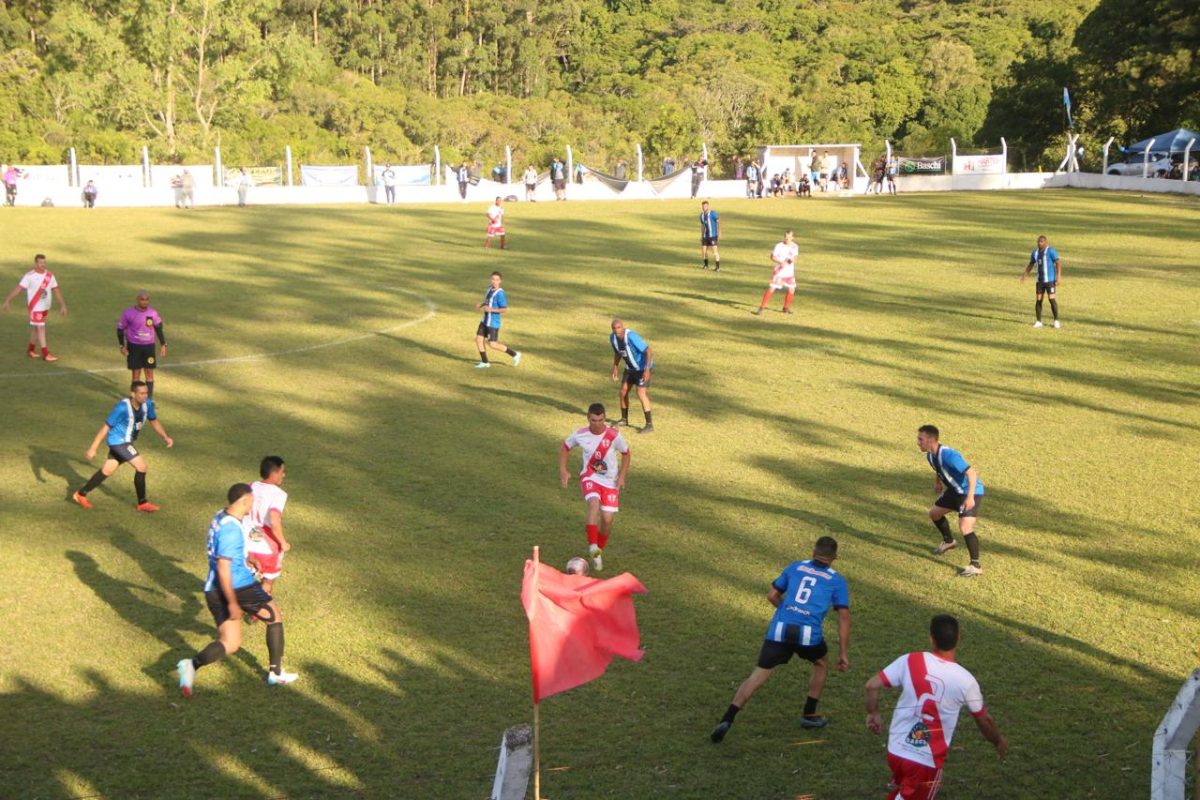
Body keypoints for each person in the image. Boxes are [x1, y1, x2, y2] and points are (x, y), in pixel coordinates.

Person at [710, 536, 851, 743]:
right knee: (820, 662)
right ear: (835, 558)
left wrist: (787, 610)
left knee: (757, 676)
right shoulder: (837, 580)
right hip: (808, 635)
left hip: (780, 630)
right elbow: (844, 618)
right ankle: (809, 715)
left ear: (813, 552)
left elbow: (772, 595)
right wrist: (843, 654)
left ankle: (728, 719)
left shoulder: (795, 567)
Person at [864, 615, 1006, 800]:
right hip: (924, 761)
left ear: (931, 638)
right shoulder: (965, 680)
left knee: (906, 788)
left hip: (896, 752)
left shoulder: (910, 660)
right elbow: (984, 720)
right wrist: (998, 740)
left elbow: (871, 685)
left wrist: (873, 713)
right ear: (958, 639)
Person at [176, 483, 298, 697]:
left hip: (212, 589)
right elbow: (224, 566)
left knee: (230, 643)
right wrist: (233, 603)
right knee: (274, 616)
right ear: (243, 501)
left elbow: (224, 552)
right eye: (252, 500)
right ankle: (276, 673)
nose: (254, 503)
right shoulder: (232, 529)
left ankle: (191, 665)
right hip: (237, 586)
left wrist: (247, 558)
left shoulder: (221, 517)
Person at [73, 380, 173, 512]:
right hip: (119, 442)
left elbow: (154, 421)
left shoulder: (147, 404)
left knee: (107, 470)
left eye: (146, 393)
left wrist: (165, 437)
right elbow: (105, 428)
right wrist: (93, 448)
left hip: (126, 441)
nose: (145, 396)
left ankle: (80, 494)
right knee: (141, 467)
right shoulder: (121, 408)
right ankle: (142, 503)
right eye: (141, 393)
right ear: (133, 394)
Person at [559, 402, 631, 572]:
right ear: (588, 419)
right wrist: (563, 470)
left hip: (610, 482)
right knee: (593, 504)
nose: (597, 424)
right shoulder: (580, 434)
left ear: (604, 418)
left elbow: (626, 454)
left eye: (600, 420)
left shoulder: (614, 436)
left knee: (607, 520)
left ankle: (598, 552)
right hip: (590, 476)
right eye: (593, 420)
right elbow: (565, 447)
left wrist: (621, 477)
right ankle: (592, 546)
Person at [917, 425, 985, 577]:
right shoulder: (930, 455)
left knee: (965, 527)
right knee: (934, 513)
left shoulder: (949, 455)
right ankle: (949, 541)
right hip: (954, 492)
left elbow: (972, 474)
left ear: (931, 440)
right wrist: (938, 482)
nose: (918, 442)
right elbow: (938, 469)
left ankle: (976, 566)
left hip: (970, 492)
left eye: (920, 439)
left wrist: (969, 497)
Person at [2, 253, 69, 361]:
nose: (43, 264)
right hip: (35, 307)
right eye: (40, 263)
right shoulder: (29, 276)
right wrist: (8, 301)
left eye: (44, 262)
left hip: (45, 307)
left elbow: (56, 290)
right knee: (41, 327)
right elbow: (18, 288)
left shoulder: (50, 276)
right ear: (36, 263)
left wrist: (63, 305)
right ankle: (46, 354)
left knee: (36, 328)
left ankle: (30, 350)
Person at [245, 455, 292, 596]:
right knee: (268, 580)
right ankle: (259, 610)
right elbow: (274, 520)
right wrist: (283, 543)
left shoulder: (250, 486)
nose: (283, 475)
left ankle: (240, 607)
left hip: (246, 541)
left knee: (245, 581)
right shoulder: (279, 494)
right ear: (274, 473)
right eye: (282, 471)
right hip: (266, 545)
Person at [117, 290, 167, 396]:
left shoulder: (152, 313)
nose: (145, 302)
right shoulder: (128, 313)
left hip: (149, 347)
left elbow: (158, 328)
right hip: (134, 347)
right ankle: (133, 399)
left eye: (147, 300)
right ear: (137, 300)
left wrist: (163, 344)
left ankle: (148, 401)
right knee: (136, 374)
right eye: (142, 300)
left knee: (149, 372)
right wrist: (122, 346)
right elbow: (120, 329)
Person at [609, 319, 654, 433]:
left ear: (623, 327)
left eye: (619, 328)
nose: (616, 330)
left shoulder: (631, 336)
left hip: (642, 368)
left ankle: (649, 425)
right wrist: (615, 366)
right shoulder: (612, 338)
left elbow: (648, 350)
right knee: (623, 391)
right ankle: (624, 419)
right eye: (614, 328)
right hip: (630, 369)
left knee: (641, 393)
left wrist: (647, 369)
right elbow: (618, 352)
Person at [473, 271, 521, 368]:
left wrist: (491, 309)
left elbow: (504, 309)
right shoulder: (489, 289)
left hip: (493, 323)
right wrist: (481, 304)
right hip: (484, 321)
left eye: (496, 280)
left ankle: (515, 354)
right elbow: (488, 301)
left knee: (493, 345)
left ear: (500, 281)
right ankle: (485, 362)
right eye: (493, 279)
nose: (494, 281)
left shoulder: (500, 294)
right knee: (478, 339)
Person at [1021, 234, 1063, 328]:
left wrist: (1059, 276)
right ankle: (1039, 321)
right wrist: (1025, 275)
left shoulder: (1051, 251)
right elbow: (1031, 264)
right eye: (1038, 242)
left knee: (1051, 299)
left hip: (1050, 280)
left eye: (1041, 242)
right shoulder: (1035, 253)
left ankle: (1056, 321)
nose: (1039, 243)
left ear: (1045, 242)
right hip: (1039, 281)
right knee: (1039, 300)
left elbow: (1058, 262)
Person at [753, 230, 799, 316]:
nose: (787, 239)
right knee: (771, 288)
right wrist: (780, 262)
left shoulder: (795, 246)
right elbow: (772, 257)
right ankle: (762, 307)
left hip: (789, 273)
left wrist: (792, 260)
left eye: (789, 237)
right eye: (785, 237)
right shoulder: (779, 246)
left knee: (792, 289)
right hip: (779, 272)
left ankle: (786, 308)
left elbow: (795, 256)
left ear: (792, 238)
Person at [699, 201, 720, 271]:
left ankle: (717, 267)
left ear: (708, 206)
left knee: (715, 251)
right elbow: (702, 226)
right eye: (703, 206)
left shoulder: (713, 214)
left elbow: (718, 223)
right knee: (704, 251)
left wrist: (719, 233)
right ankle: (706, 265)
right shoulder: (701, 215)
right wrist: (701, 236)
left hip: (713, 236)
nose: (704, 207)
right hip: (705, 236)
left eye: (705, 206)